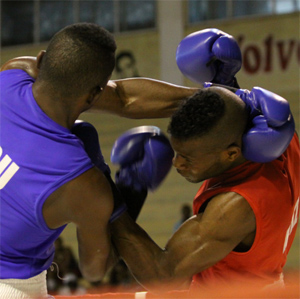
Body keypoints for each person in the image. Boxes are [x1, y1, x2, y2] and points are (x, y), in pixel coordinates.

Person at [0, 22, 201, 299]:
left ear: (42, 59)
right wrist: (128, 188)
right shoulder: (81, 181)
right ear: (95, 94)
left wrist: (206, 99)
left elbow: (121, 96)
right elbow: (94, 269)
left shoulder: (12, 73)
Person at [109, 85, 299, 293]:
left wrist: (109, 192)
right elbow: (228, 104)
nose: (177, 163)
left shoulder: (236, 206)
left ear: (231, 154)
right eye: (177, 152)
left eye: (188, 158)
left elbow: (163, 274)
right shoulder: (283, 142)